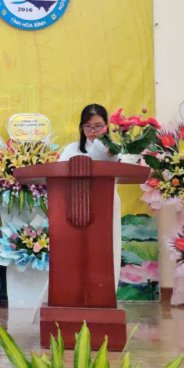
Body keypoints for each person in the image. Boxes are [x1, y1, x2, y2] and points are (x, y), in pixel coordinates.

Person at [59, 104, 121, 288]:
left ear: (106, 126)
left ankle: (107, 290)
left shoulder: (116, 148)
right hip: (77, 204)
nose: (93, 131)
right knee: (79, 249)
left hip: (107, 202)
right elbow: (58, 173)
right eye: (88, 126)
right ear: (81, 127)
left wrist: (113, 156)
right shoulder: (71, 149)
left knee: (106, 247)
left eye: (98, 126)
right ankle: (76, 289)